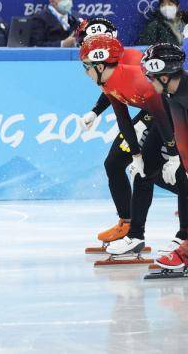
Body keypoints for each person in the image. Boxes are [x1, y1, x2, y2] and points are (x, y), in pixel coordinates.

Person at [76, 18, 179, 252]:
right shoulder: (106, 75)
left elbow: (161, 104)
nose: (85, 71)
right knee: (139, 169)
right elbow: (119, 105)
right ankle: (132, 232)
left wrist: (171, 152)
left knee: (160, 171)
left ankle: (135, 233)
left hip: (165, 111)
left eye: (87, 65)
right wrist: (135, 153)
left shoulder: (132, 64)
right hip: (154, 110)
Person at [140, 44, 188, 269]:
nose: (149, 82)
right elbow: (182, 136)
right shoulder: (172, 94)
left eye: (151, 77)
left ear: (165, 76)